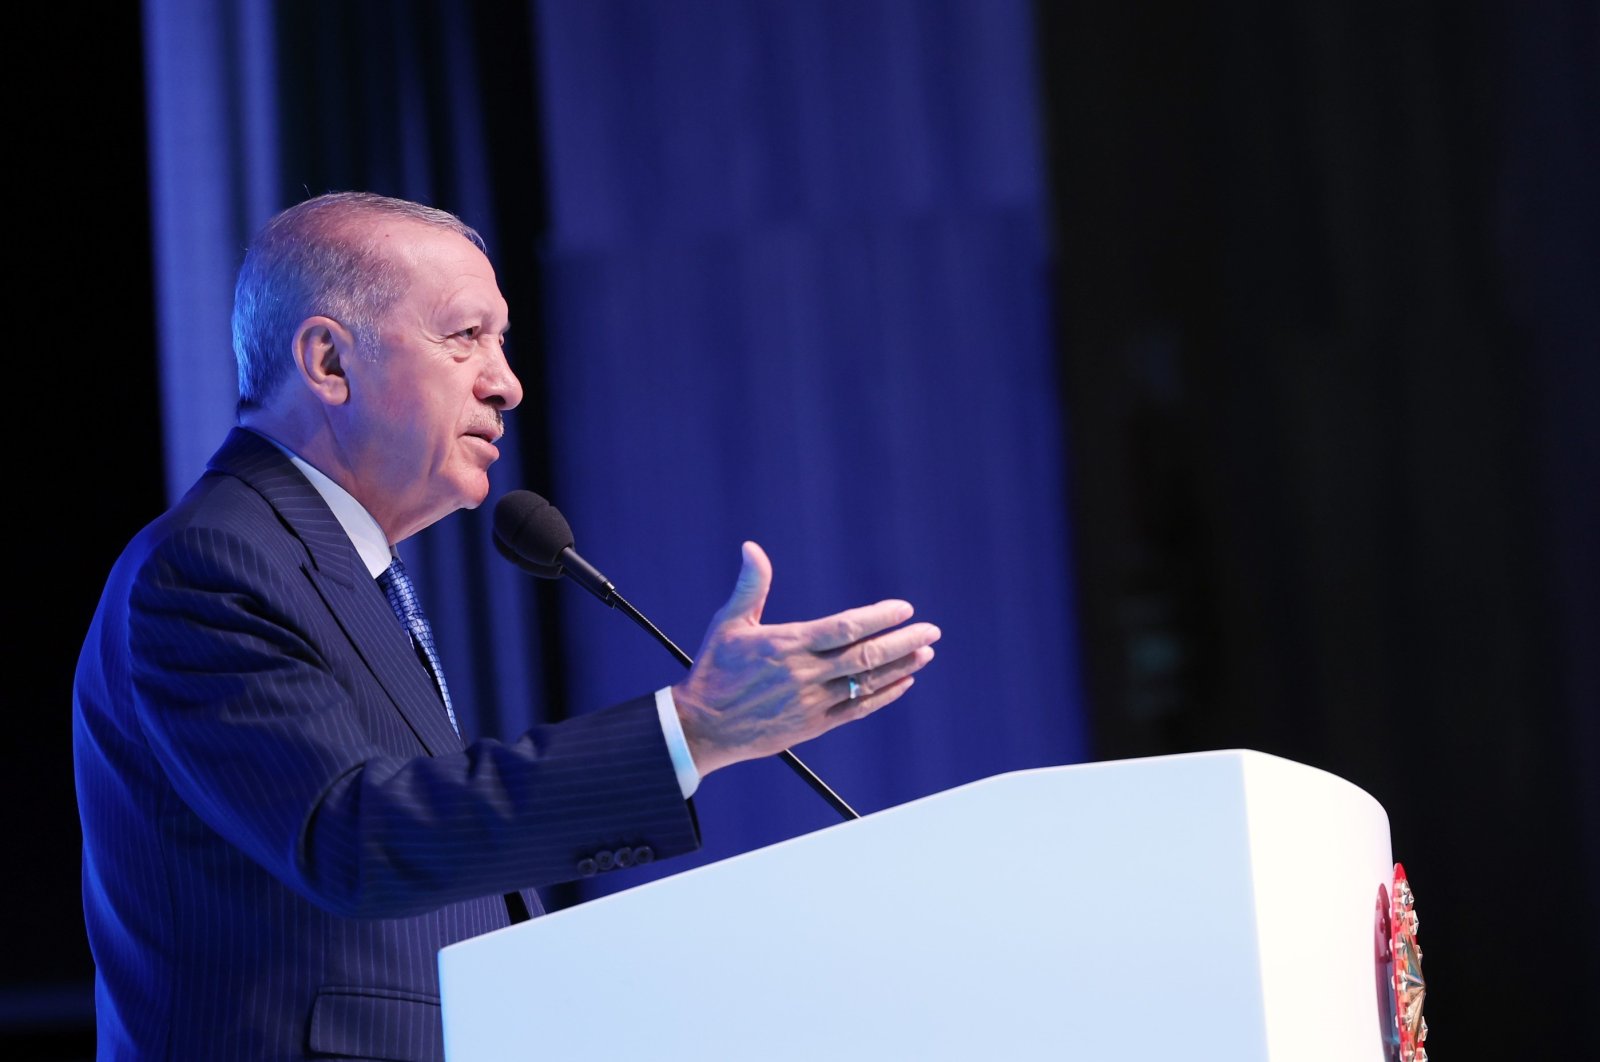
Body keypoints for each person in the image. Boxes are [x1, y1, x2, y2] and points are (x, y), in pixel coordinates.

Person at [72, 191, 940, 1060]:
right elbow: (358, 840)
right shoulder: (211, 564)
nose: (507, 383)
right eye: (465, 337)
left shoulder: (332, 568)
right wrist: (692, 730)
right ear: (329, 361)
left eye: (501, 339)